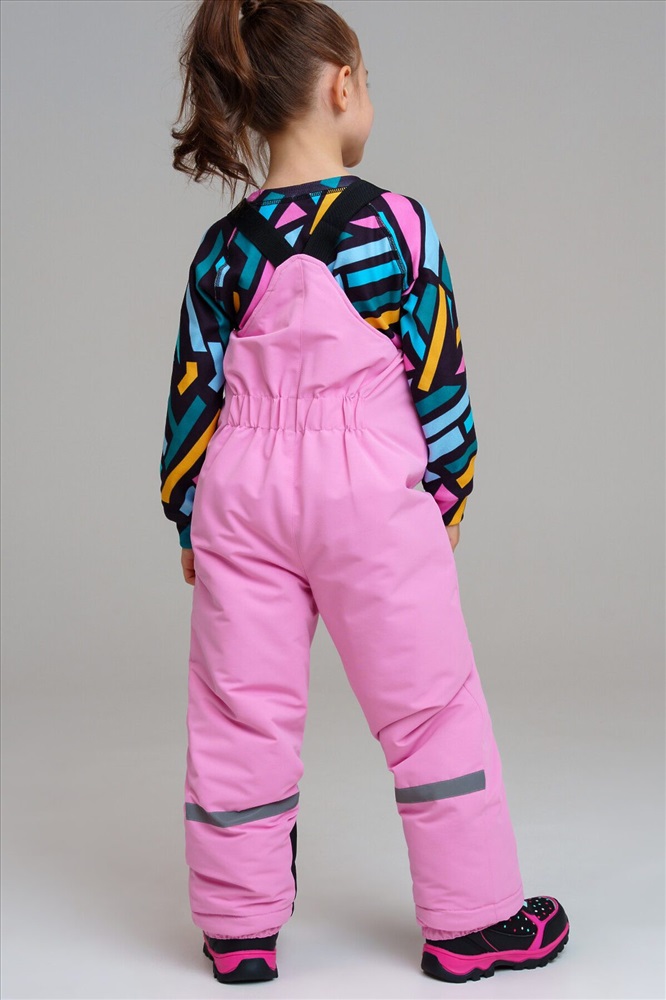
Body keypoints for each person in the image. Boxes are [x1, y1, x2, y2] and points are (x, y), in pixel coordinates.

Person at [159, 0, 570, 985]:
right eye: (369, 80)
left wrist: (187, 513)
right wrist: (448, 492)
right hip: (370, 495)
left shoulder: (223, 250)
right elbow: (439, 370)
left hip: (242, 493)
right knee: (429, 706)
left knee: (241, 712)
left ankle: (238, 930)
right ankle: (473, 925)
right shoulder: (397, 225)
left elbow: (193, 390)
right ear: (343, 86)